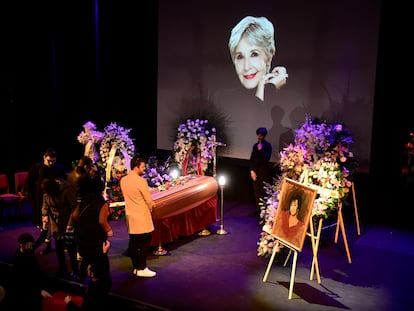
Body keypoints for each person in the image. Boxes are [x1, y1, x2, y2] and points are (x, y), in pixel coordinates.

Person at [228, 15, 288, 101]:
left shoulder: (292, 98)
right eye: (240, 57)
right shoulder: (221, 99)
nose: (246, 67)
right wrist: (267, 89)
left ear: (268, 56)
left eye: (254, 54)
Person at [23, 147, 67, 254]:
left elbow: (64, 183)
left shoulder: (59, 168)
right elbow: (29, 182)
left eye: (53, 161)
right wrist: (29, 195)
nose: (51, 163)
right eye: (49, 161)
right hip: (39, 200)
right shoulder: (36, 168)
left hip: (55, 201)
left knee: (57, 223)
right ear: (44, 158)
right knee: (44, 223)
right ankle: (47, 243)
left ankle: (62, 243)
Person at [71, 175, 113, 283]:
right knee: (100, 259)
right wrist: (109, 230)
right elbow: (101, 221)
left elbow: (75, 215)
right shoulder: (102, 202)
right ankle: (101, 280)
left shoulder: (84, 200)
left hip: (83, 235)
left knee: (86, 258)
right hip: (96, 236)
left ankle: (81, 279)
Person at [120, 156, 157, 278]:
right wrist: (153, 205)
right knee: (144, 244)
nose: (144, 168)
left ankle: (136, 267)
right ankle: (141, 267)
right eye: (142, 166)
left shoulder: (123, 180)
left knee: (134, 243)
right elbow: (148, 200)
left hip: (131, 215)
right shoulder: (141, 181)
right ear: (136, 167)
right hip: (142, 216)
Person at [41, 177, 79, 279]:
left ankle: (75, 270)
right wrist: (44, 216)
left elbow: (74, 207)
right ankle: (63, 269)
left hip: (67, 222)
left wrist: (70, 224)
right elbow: (45, 204)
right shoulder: (47, 192)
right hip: (55, 224)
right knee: (59, 248)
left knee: (71, 249)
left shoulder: (65, 190)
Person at [8, 232, 52, 310]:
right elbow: (23, 281)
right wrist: (39, 291)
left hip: (36, 281)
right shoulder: (18, 260)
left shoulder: (28, 250)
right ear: (22, 245)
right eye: (30, 246)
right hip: (28, 291)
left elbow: (40, 240)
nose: (32, 248)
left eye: (32, 246)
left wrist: (45, 229)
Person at [64, 243, 112, 310]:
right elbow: (104, 268)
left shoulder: (93, 293)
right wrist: (104, 253)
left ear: (92, 274)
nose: (87, 269)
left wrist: (69, 303)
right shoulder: (105, 282)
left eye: (89, 268)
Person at [249, 127, 273, 213]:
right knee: (256, 191)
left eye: (261, 135)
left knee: (264, 190)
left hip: (264, 172)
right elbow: (252, 159)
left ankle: (265, 210)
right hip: (255, 171)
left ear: (264, 136)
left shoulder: (268, 146)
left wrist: (261, 150)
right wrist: (252, 170)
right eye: (258, 135)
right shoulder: (255, 146)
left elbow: (267, 158)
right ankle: (258, 209)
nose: (259, 137)